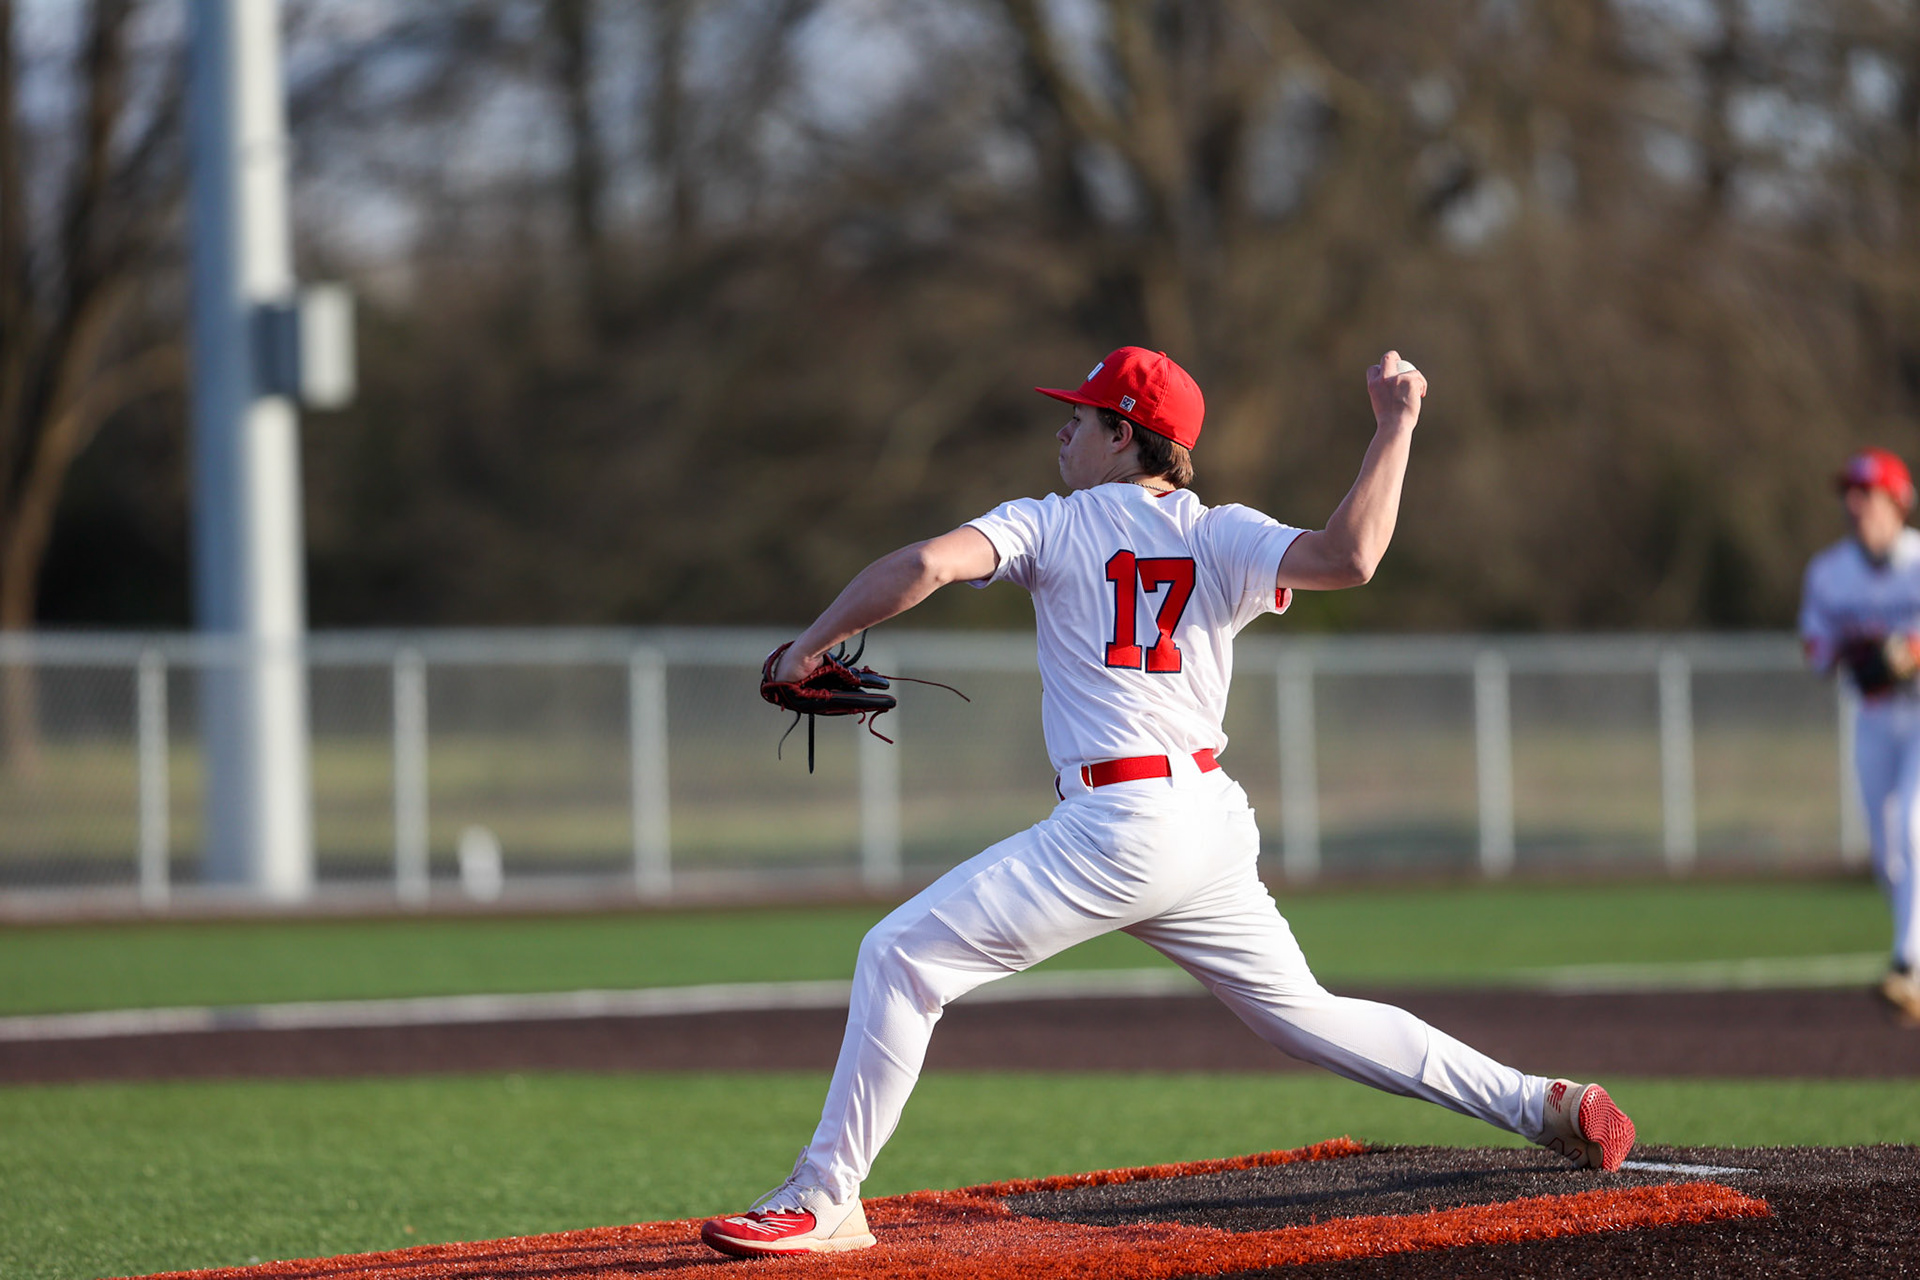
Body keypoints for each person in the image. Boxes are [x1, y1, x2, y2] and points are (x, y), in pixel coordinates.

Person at [700, 346, 1637, 1258]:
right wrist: (1396, 424)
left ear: (1125, 432)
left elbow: (928, 563)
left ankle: (826, 1199)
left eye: (1082, 414)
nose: (1065, 427)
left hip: (1119, 826)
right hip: (1205, 822)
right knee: (1307, 1015)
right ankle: (1542, 1103)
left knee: (899, 954)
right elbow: (1353, 557)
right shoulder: (1217, 529)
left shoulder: (1051, 522)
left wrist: (814, 641)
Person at [1800, 447, 1920, 1023]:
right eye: (1849, 492)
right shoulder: (1828, 572)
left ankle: (1908, 965)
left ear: (1898, 502)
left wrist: (1909, 652)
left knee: (1917, 827)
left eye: (1866, 492)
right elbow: (1816, 647)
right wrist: (1853, 652)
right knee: (1890, 855)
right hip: (1875, 719)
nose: (1854, 504)